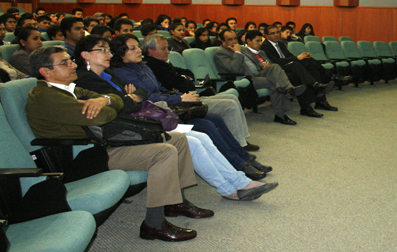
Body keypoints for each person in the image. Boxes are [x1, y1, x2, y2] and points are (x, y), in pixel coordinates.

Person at [26, 45, 213, 242]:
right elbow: (104, 115)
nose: (73, 65)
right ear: (45, 71)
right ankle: (154, 224)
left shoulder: (71, 89)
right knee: (164, 151)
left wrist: (105, 100)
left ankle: (175, 202)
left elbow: (117, 100)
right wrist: (109, 104)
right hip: (82, 157)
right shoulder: (46, 97)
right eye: (65, 63)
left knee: (177, 139)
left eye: (70, 60)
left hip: (102, 144)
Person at [73, 36, 277, 197]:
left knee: (203, 135)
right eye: (102, 50)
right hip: (129, 129)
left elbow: (140, 94)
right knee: (198, 137)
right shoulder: (87, 79)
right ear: (85, 55)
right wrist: (127, 98)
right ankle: (232, 188)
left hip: (143, 118)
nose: (108, 53)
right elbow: (123, 104)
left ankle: (240, 182)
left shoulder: (109, 74)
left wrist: (129, 97)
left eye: (108, 49)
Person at [117, 34, 259, 150]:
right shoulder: (148, 66)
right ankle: (239, 146)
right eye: (164, 48)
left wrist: (181, 87)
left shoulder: (145, 67)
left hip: (178, 98)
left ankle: (239, 146)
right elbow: (156, 91)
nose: (168, 51)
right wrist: (181, 95)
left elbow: (179, 78)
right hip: (167, 107)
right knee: (224, 108)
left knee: (229, 102)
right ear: (151, 51)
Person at [215, 29, 307, 125]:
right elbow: (234, 69)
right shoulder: (221, 53)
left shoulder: (241, 49)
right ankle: (281, 114)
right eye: (230, 39)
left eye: (235, 38)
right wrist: (237, 53)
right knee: (275, 82)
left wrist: (262, 65)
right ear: (222, 41)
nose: (234, 42)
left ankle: (289, 89)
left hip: (258, 73)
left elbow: (253, 62)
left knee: (274, 66)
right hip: (245, 79)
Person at [261, 25, 338, 113]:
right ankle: (328, 79)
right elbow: (276, 61)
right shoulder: (265, 46)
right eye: (272, 33)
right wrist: (297, 58)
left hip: (291, 66)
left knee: (310, 64)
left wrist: (302, 56)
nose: (276, 35)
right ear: (266, 36)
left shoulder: (281, 44)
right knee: (297, 67)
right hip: (279, 69)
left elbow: (289, 56)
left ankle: (320, 99)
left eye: (277, 32)